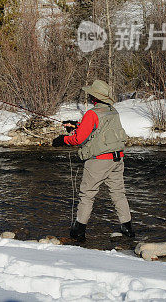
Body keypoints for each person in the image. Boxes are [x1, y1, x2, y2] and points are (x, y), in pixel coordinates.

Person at [52, 79, 133, 242]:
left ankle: (79, 231)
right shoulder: (112, 111)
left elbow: (78, 139)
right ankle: (127, 228)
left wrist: (63, 140)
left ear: (94, 98)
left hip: (99, 161)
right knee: (118, 193)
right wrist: (78, 126)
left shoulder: (92, 113)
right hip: (117, 159)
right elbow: (102, 130)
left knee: (87, 195)